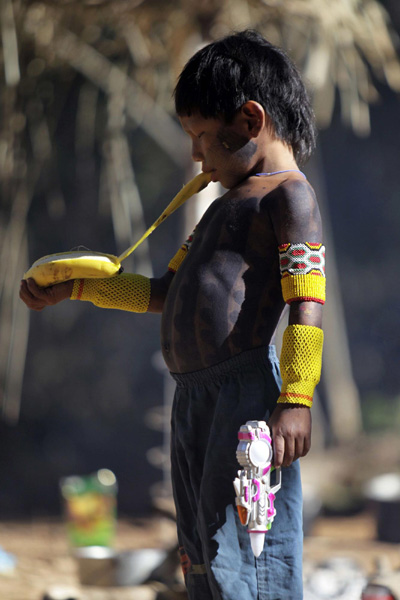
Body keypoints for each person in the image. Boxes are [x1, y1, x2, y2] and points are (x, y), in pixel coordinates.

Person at [20, 30, 325, 600]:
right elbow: (163, 292)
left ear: (251, 120)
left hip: (245, 404)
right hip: (194, 399)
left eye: (203, 136)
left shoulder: (289, 198)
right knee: (203, 549)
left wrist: (296, 400)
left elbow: (306, 303)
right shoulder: (217, 206)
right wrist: (78, 289)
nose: (195, 154)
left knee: (249, 548)